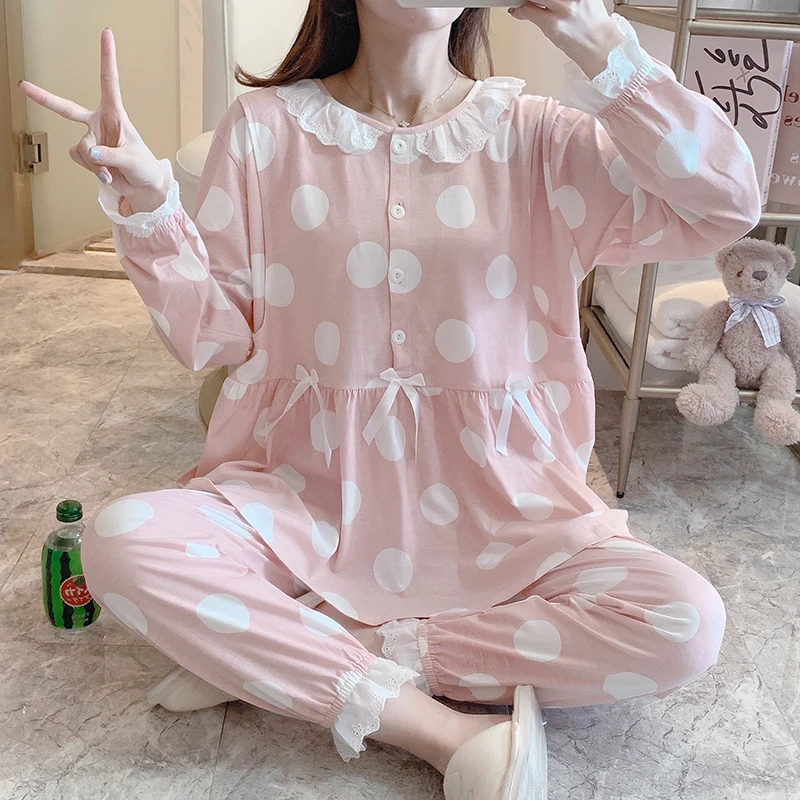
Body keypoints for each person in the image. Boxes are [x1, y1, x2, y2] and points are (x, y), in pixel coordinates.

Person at [19, 1, 760, 796]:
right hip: (300, 501)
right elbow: (213, 339)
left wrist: (596, 37)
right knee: (123, 542)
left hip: (507, 513)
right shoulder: (265, 129)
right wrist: (151, 208)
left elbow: (724, 204)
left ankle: (310, 645)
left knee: (684, 622)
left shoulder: (542, 138)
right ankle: (440, 732)